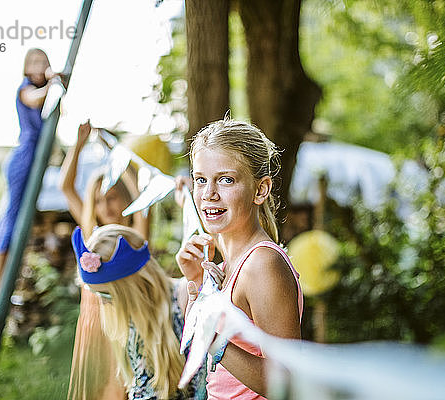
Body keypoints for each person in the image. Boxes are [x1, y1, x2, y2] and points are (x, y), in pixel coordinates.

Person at [175, 117, 304, 399]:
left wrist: (215, 342)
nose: (209, 193)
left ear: (261, 189)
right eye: (200, 179)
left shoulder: (262, 265)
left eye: (226, 180)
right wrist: (196, 282)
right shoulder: (226, 265)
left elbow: (286, 384)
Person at [60, 120, 151, 400]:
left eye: (112, 198)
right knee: (95, 382)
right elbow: (66, 187)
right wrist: (78, 144)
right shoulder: (91, 233)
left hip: (123, 318)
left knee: (119, 382)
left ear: (126, 200)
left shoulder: (134, 235)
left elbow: (141, 198)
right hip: (92, 318)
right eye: (98, 200)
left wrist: (119, 157)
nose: (105, 206)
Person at [71, 224, 207, 399]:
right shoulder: (130, 321)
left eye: (106, 295)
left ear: (132, 289)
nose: (102, 303)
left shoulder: (185, 300)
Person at [0, 48, 62, 309]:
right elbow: (36, 98)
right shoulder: (25, 89)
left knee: (8, 223)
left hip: (30, 162)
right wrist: (53, 81)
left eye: (44, 62)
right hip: (23, 160)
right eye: (35, 62)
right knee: (9, 224)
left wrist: (53, 83)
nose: (40, 67)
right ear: (26, 67)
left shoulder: (42, 89)